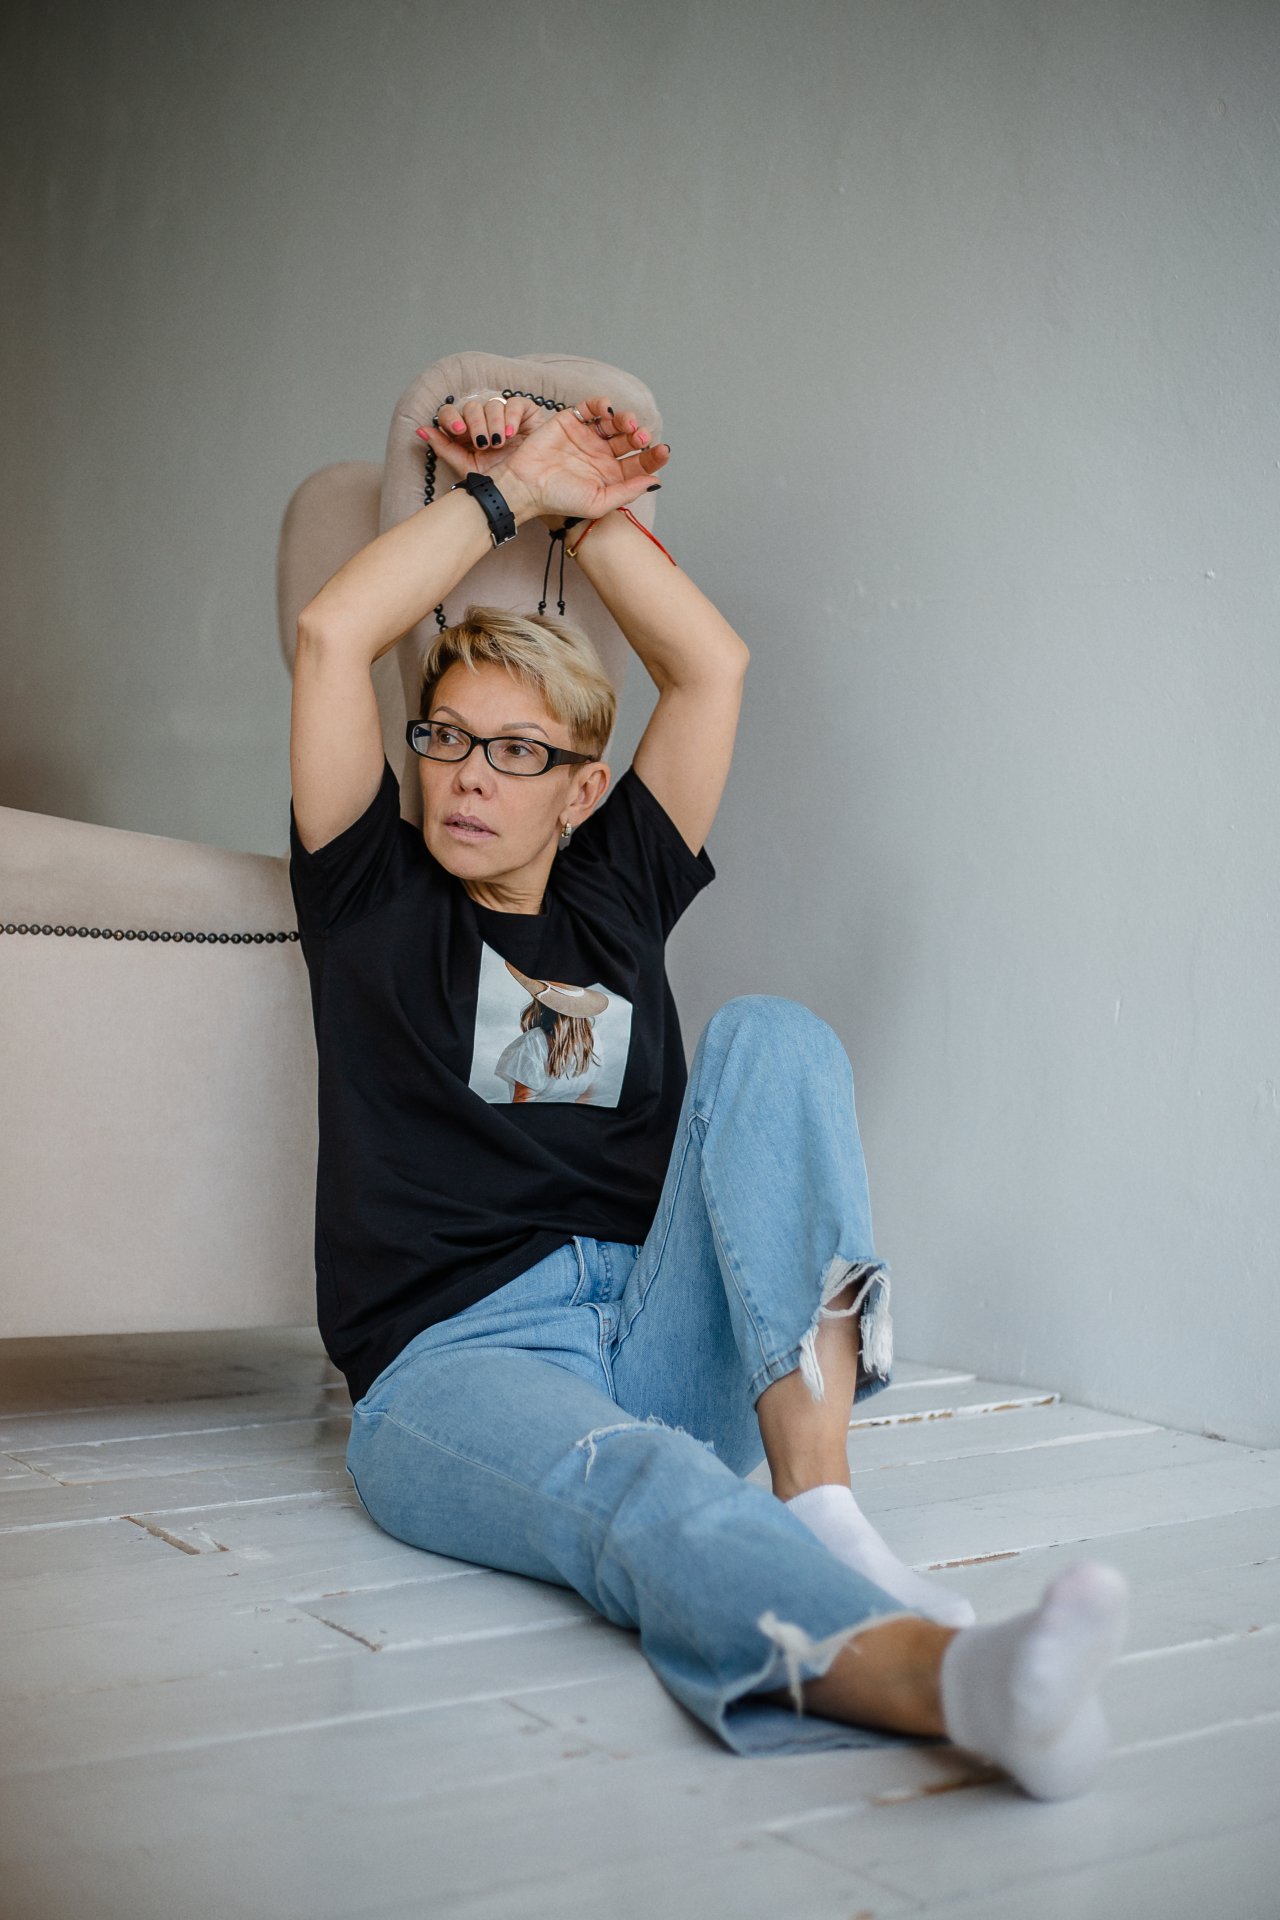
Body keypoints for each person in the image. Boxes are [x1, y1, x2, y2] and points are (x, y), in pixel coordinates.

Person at [287, 386, 1130, 1800]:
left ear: (581, 790)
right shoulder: (368, 889)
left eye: (519, 752)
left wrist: (583, 500)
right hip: (459, 1364)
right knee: (641, 1486)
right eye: (446, 740)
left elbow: (711, 667)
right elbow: (332, 634)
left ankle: (827, 1503)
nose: (469, 781)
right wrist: (506, 492)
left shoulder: (617, 884)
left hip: (666, 1326)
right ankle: (947, 1683)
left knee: (776, 1033)